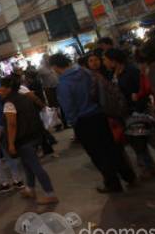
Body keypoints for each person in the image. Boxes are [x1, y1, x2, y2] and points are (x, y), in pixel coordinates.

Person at [51, 53, 137, 193]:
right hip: (100, 115)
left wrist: (74, 123)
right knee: (112, 148)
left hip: (84, 121)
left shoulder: (64, 84)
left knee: (98, 154)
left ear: (55, 67)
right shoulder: (85, 72)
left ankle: (113, 184)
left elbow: (69, 108)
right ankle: (129, 176)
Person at [0, 77, 59, 205]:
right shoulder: (25, 97)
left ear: (8, 88)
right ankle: (30, 189)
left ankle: (50, 194)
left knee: (35, 166)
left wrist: (10, 143)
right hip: (33, 135)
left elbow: (12, 124)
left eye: (1, 87)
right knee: (27, 165)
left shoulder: (9, 103)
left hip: (22, 139)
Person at [104, 48, 155, 177]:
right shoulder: (114, 73)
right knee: (138, 143)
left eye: (105, 59)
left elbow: (142, 90)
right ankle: (149, 168)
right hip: (127, 112)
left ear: (113, 60)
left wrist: (137, 106)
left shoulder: (131, 71)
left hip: (139, 111)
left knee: (152, 140)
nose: (104, 62)